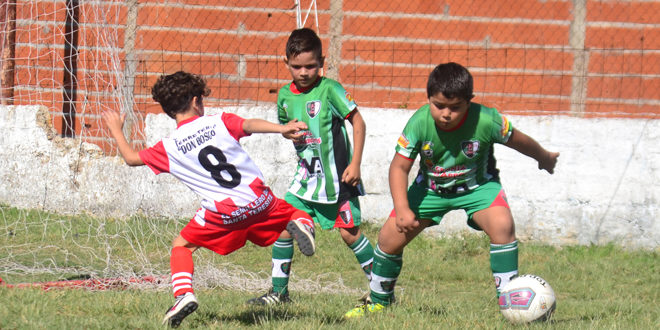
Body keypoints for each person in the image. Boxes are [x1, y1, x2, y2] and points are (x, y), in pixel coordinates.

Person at [344, 62, 560, 317]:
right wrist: (402, 209)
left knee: (503, 225)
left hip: (478, 188)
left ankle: (509, 304)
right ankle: (379, 301)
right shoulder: (419, 123)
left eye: (455, 107)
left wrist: (543, 156)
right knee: (388, 239)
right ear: (429, 99)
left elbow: (518, 140)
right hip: (431, 191)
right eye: (439, 106)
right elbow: (398, 168)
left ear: (469, 101)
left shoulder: (487, 119)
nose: (446, 114)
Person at [102, 71, 316, 328]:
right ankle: (305, 225)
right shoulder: (219, 122)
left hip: (222, 215)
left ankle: (183, 294)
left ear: (170, 111)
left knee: (181, 246)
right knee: (291, 213)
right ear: (195, 101)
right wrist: (282, 128)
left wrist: (116, 129)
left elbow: (131, 158)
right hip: (258, 201)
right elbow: (248, 125)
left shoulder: (168, 147)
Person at [247, 28, 374, 305]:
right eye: (297, 66)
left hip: (339, 180)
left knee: (349, 234)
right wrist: (285, 130)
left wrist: (356, 163)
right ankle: (279, 293)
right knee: (283, 225)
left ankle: (381, 290)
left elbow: (359, 121)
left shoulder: (330, 89)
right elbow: (286, 125)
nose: (304, 72)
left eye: (310, 66)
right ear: (286, 63)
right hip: (306, 178)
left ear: (322, 62)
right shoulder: (284, 96)